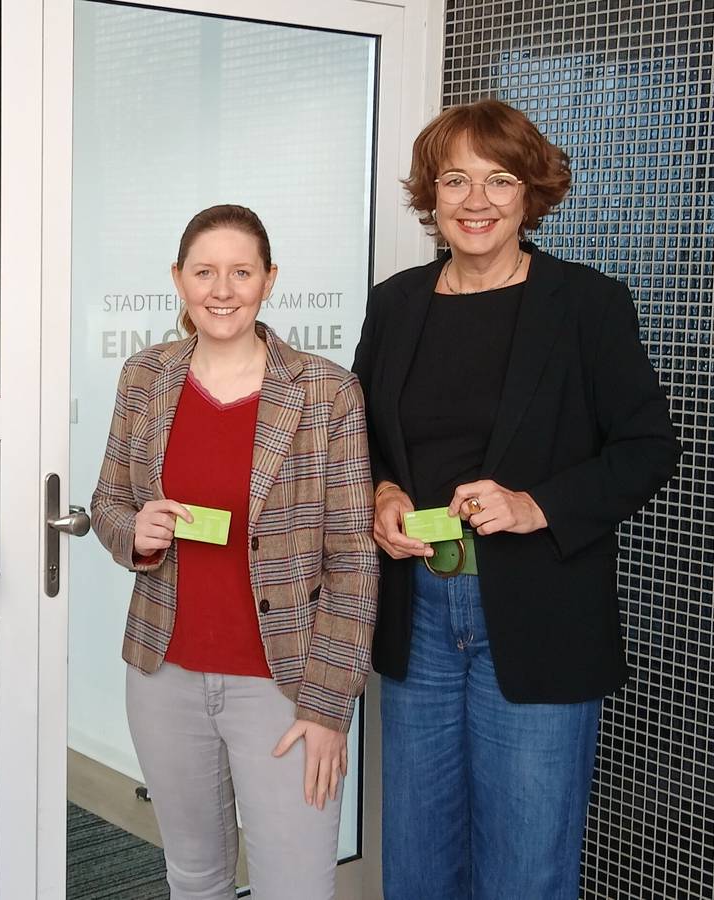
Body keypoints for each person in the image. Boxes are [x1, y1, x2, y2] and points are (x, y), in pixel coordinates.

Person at [351, 99, 681, 899]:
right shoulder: (396, 302)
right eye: (455, 179)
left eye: (500, 180)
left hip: (538, 613)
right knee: (419, 860)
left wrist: (536, 504)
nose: (476, 201)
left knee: (526, 867)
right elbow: (357, 437)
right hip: (419, 609)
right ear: (430, 195)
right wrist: (381, 492)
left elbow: (648, 450)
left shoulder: (588, 304)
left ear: (532, 193)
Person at [91, 204, 378, 900]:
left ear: (269, 280)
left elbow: (354, 560)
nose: (222, 290)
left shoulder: (325, 390)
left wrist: (327, 706)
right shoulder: (145, 377)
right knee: (194, 879)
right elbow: (107, 504)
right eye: (205, 272)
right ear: (179, 279)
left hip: (284, 689)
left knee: (296, 887)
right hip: (165, 679)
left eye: (241, 272)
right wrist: (137, 532)